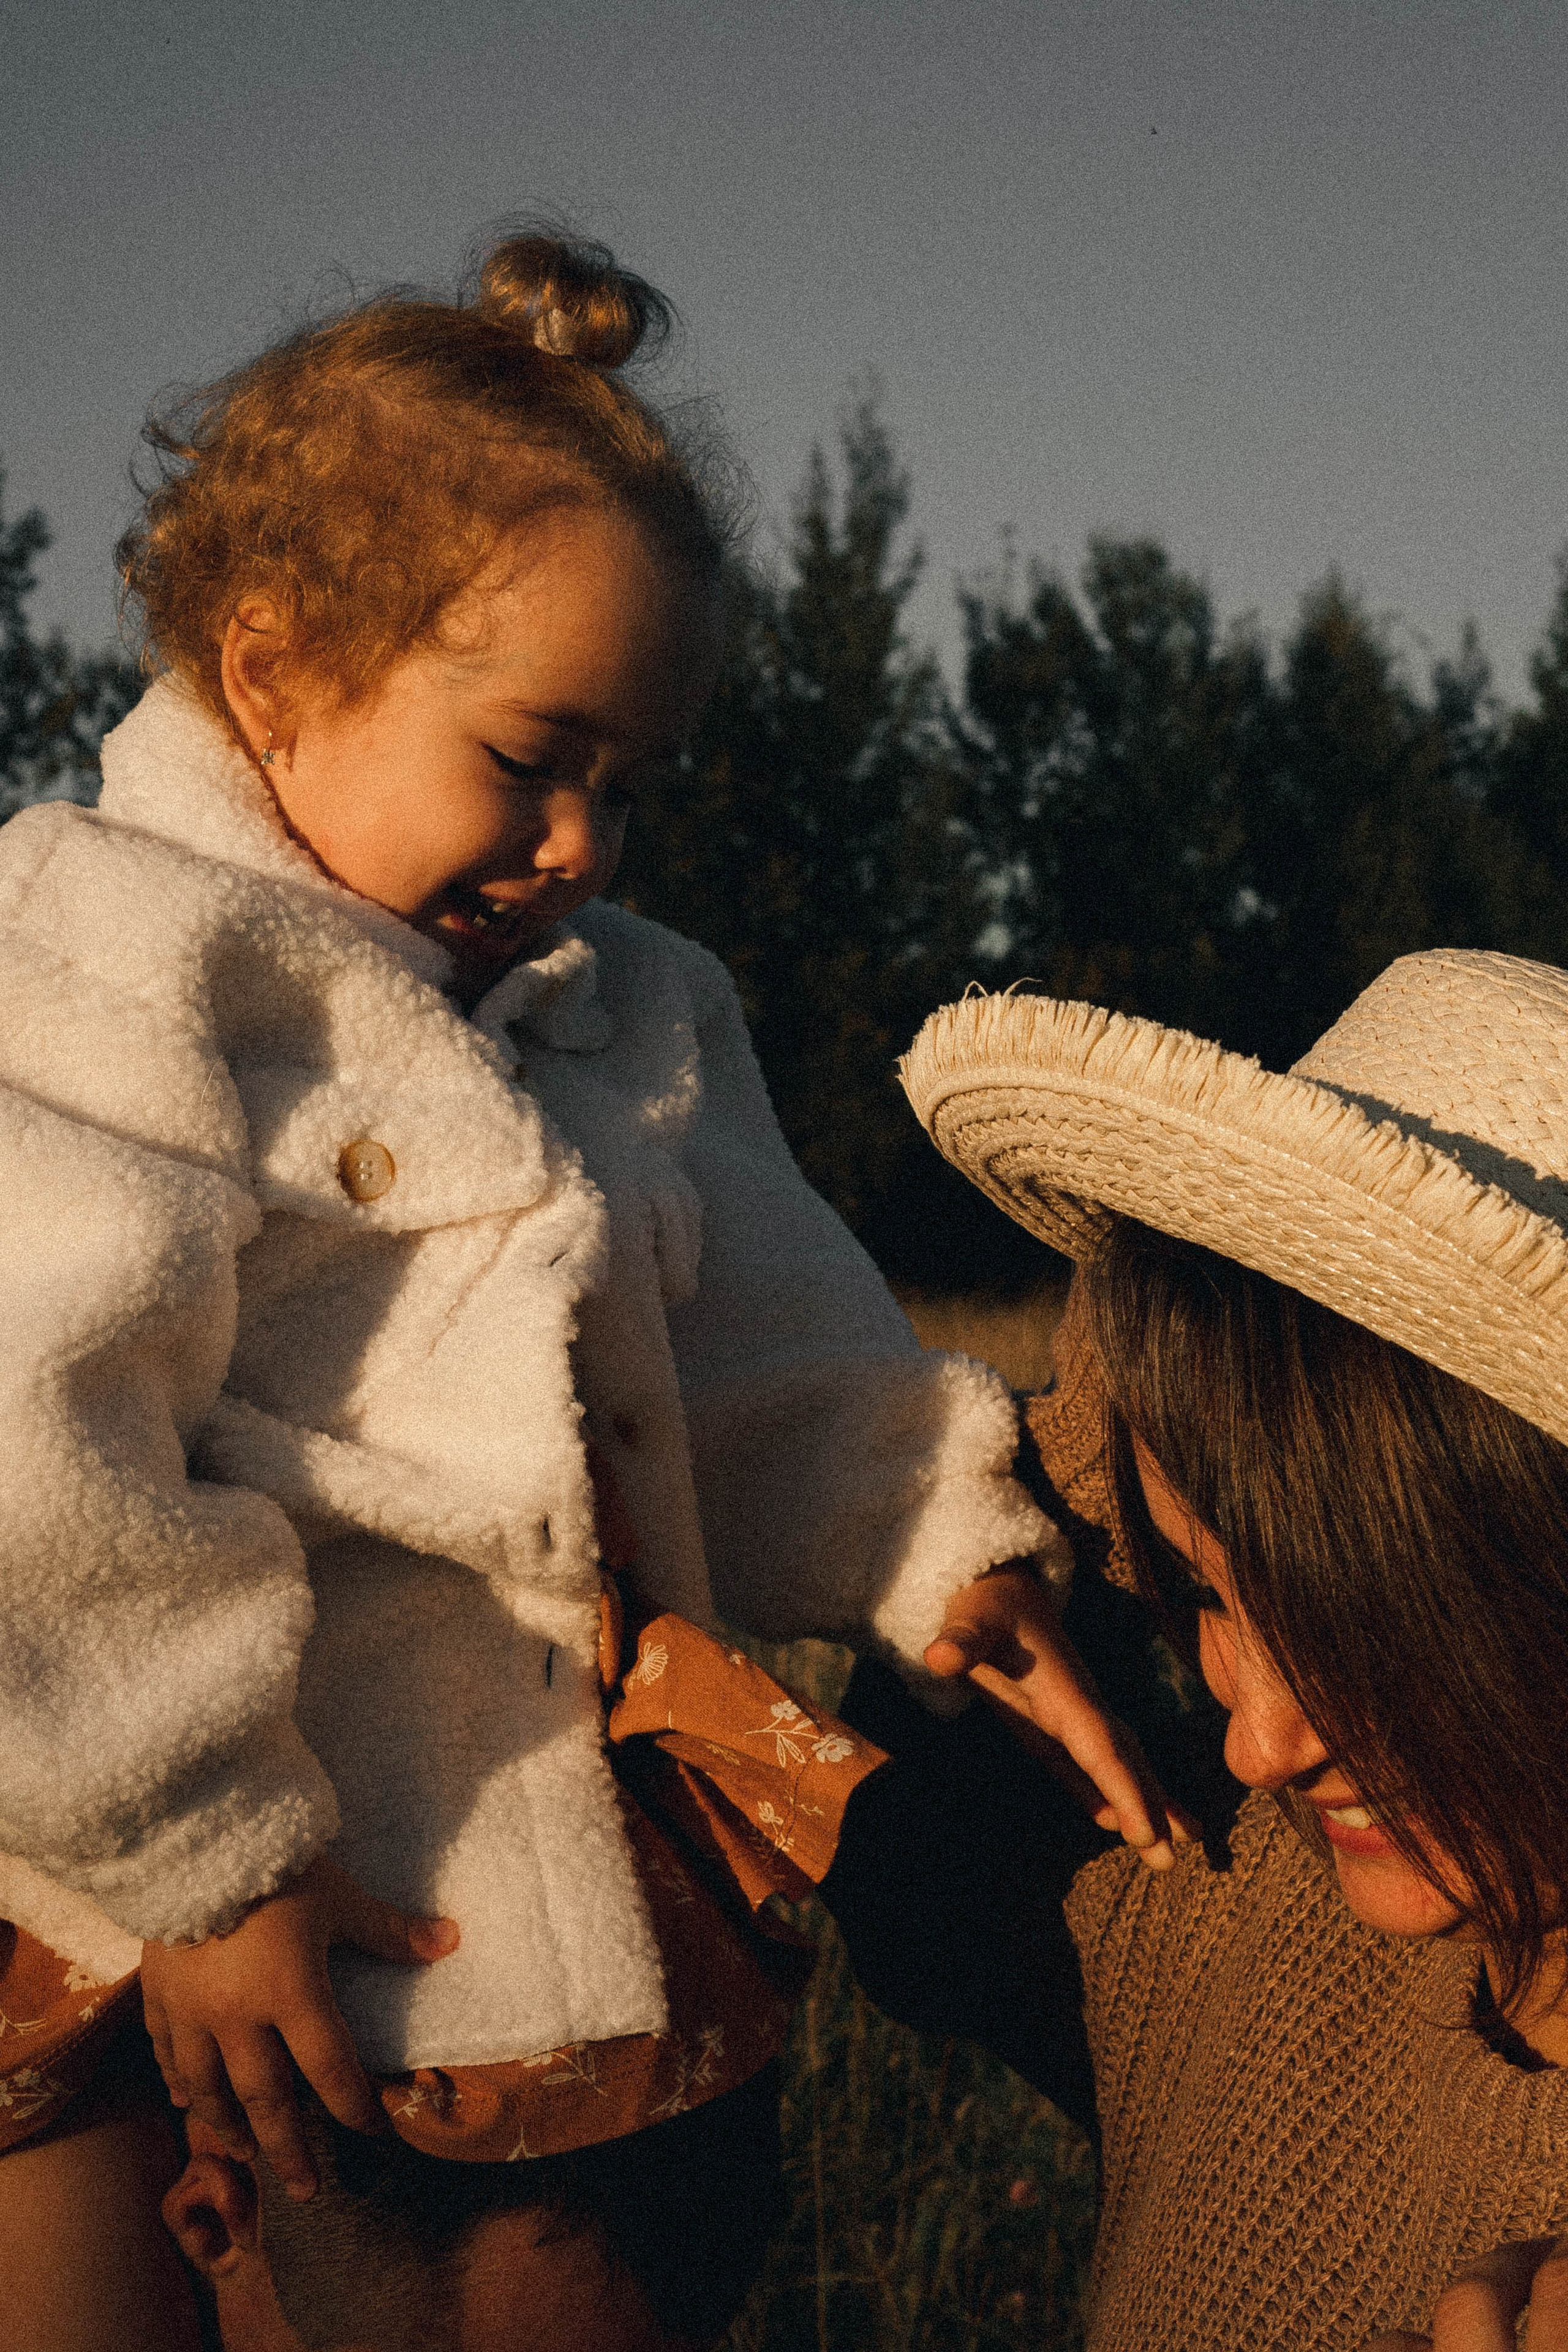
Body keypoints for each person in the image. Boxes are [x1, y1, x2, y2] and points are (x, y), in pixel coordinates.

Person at [0, 231, 1177, 2352]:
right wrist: (205, 1850)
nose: (581, 846)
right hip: (118, 1831)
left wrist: (933, 1545)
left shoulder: (630, 1009)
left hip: (481, 1871)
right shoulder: (107, 950)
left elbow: (774, 1337)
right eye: (532, 756)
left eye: (628, 785)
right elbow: (37, 1424)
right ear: (274, 673)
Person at [830, 948, 1568, 2351]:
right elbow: (904, 1863)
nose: (1257, 1745)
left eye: (1369, 1621)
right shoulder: (1228, 1915)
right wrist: (1168, 1325)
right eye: (1205, 1597)